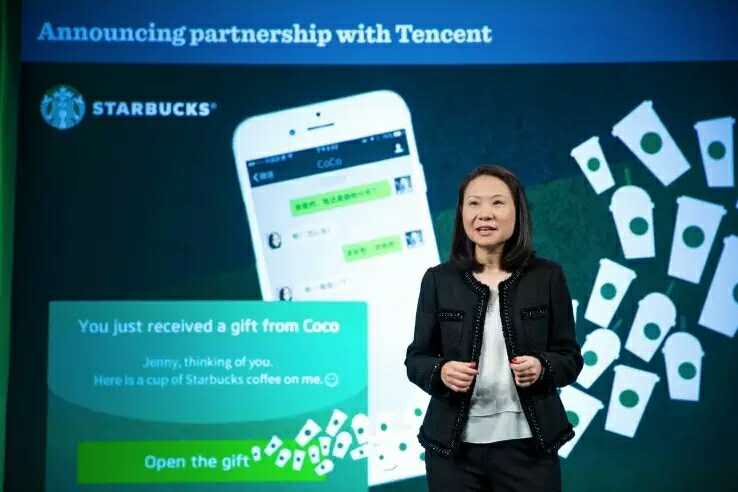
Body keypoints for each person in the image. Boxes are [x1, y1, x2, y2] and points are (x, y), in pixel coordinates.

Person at [405, 165, 583, 492]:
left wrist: (542, 367)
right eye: (473, 203)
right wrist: (441, 371)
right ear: (461, 213)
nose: (484, 214)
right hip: (453, 452)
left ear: (518, 211)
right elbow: (416, 360)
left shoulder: (547, 277)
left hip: (529, 447)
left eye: (497, 203)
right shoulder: (438, 280)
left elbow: (569, 358)